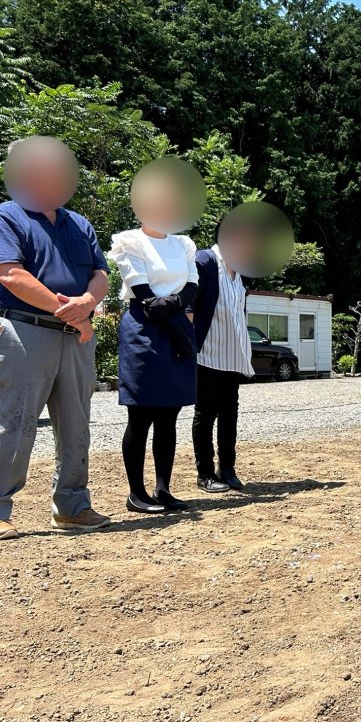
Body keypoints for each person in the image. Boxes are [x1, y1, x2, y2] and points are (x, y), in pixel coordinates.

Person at [0, 137, 111, 540]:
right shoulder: (5, 216)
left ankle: (73, 506)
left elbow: (100, 274)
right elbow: (11, 274)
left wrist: (87, 302)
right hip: (26, 331)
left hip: (76, 336)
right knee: (11, 423)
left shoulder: (78, 223)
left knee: (77, 426)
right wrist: (70, 311)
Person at [108, 169, 200, 514]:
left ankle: (163, 489)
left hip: (175, 324)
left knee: (169, 414)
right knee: (141, 413)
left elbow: (193, 284)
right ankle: (136, 493)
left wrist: (174, 303)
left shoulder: (184, 243)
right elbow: (142, 290)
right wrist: (169, 304)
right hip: (144, 327)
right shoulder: (129, 241)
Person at [190, 219, 255, 493]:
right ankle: (205, 473)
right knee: (205, 414)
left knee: (230, 414)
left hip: (232, 355)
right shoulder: (205, 261)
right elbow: (190, 306)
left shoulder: (238, 273)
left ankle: (227, 469)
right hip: (207, 353)